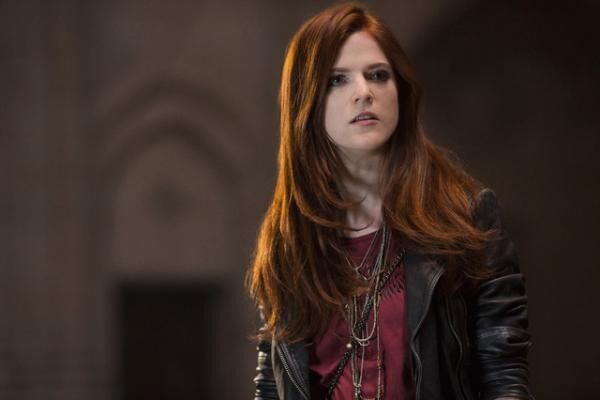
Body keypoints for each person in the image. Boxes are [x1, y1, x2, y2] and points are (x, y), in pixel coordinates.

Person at [247, 3, 532, 400]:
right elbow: (272, 383)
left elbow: (504, 376)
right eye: (337, 80)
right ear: (306, 102)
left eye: (378, 75)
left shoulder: (466, 217)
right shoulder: (289, 238)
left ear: (401, 90)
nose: (363, 92)